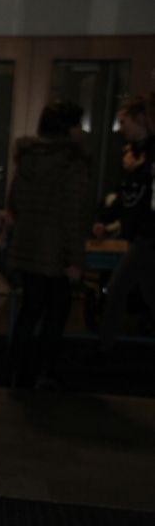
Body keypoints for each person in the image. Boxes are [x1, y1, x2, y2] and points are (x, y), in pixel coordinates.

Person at [4, 100, 90, 389]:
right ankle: (43, 371)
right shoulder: (72, 162)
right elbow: (73, 213)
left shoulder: (29, 157)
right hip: (56, 250)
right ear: (69, 128)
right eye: (78, 124)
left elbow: (15, 201)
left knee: (29, 310)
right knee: (55, 314)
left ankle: (17, 371)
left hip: (28, 245)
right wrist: (76, 258)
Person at [93, 93, 155, 351]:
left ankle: (104, 348)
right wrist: (104, 218)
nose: (120, 129)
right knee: (145, 290)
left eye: (123, 121)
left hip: (148, 235)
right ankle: (106, 345)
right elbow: (122, 194)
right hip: (139, 233)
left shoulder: (148, 155)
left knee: (118, 288)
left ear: (140, 119)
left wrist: (137, 171)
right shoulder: (130, 153)